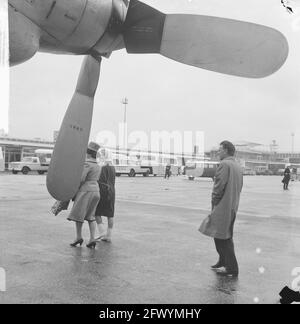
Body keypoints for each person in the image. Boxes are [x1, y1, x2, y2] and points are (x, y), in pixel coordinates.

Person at [199, 141, 243, 278]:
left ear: (226, 150)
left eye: (219, 150)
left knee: (223, 238)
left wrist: (215, 203)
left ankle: (231, 268)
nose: (218, 152)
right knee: (221, 235)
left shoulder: (224, 164)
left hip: (222, 206)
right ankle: (222, 260)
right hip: (232, 205)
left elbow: (218, 187)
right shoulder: (237, 165)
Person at [67, 141, 101, 248]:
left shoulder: (87, 164)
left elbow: (81, 179)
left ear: (88, 152)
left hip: (85, 191)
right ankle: (92, 238)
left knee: (79, 215)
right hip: (96, 191)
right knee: (91, 216)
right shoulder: (98, 165)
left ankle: (78, 237)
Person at [95, 149, 116, 243]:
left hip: (103, 190)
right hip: (112, 191)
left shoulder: (102, 167)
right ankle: (109, 236)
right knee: (110, 214)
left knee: (97, 212)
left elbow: (100, 180)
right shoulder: (113, 167)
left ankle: (102, 232)